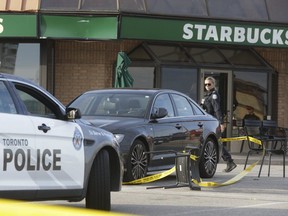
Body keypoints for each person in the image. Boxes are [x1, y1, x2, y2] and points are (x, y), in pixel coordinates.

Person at [201, 76, 237, 172]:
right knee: (217, 142)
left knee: (218, 143)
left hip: (213, 122)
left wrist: (221, 123)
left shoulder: (214, 95)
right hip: (209, 121)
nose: (207, 86)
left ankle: (229, 161)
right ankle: (229, 162)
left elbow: (217, 109)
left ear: (213, 84)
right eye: (205, 84)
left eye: (209, 84)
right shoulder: (207, 95)